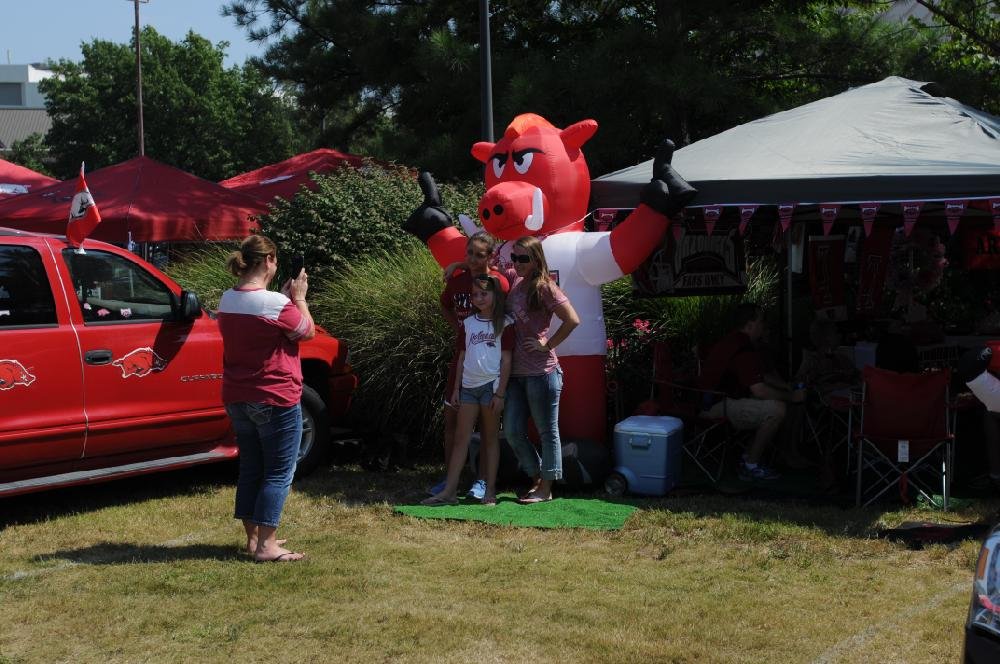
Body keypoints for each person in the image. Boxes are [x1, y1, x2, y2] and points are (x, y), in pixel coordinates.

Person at [218, 235, 315, 563]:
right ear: (269, 261)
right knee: (278, 471)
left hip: (237, 395)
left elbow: (264, 319)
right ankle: (267, 546)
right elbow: (306, 331)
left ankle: (253, 538)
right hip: (274, 396)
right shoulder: (276, 303)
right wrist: (299, 298)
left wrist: (285, 300)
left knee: (251, 467)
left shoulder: (227, 299)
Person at [431, 232, 510, 499]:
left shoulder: (497, 282)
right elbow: (445, 306)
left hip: (489, 365)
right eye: (469, 253)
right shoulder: (457, 281)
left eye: (480, 254)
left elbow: (505, 317)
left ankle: (482, 481)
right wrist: (459, 330)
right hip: (463, 358)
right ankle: (450, 479)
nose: (473, 259)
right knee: (452, 421)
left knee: (488, 429)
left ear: (490, 255)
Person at [503, 236, 580, 503]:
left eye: (523, 258)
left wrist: (547, 345)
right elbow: (483, 268)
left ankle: (546, 489)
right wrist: (455, 266)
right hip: (514, 374)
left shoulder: (545, 287)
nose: (517, 263)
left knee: (548, 432)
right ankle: (537, 478)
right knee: (512, 431)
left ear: (537, 259)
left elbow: (572, 320)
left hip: (542, 373)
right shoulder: (514, 280)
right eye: (514, 257)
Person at [699, 302, 805, 481]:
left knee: (782, 404)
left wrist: (786, 387)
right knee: (777, 409)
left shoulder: (735, 341)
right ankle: (751, 464)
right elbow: (759, 391)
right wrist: (792, 396)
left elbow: (760, 376)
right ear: (750, 325)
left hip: (715, 400)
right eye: (761, 321)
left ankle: (780, 455)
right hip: (715, 406)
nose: (764, 326)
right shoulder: (743, 348)